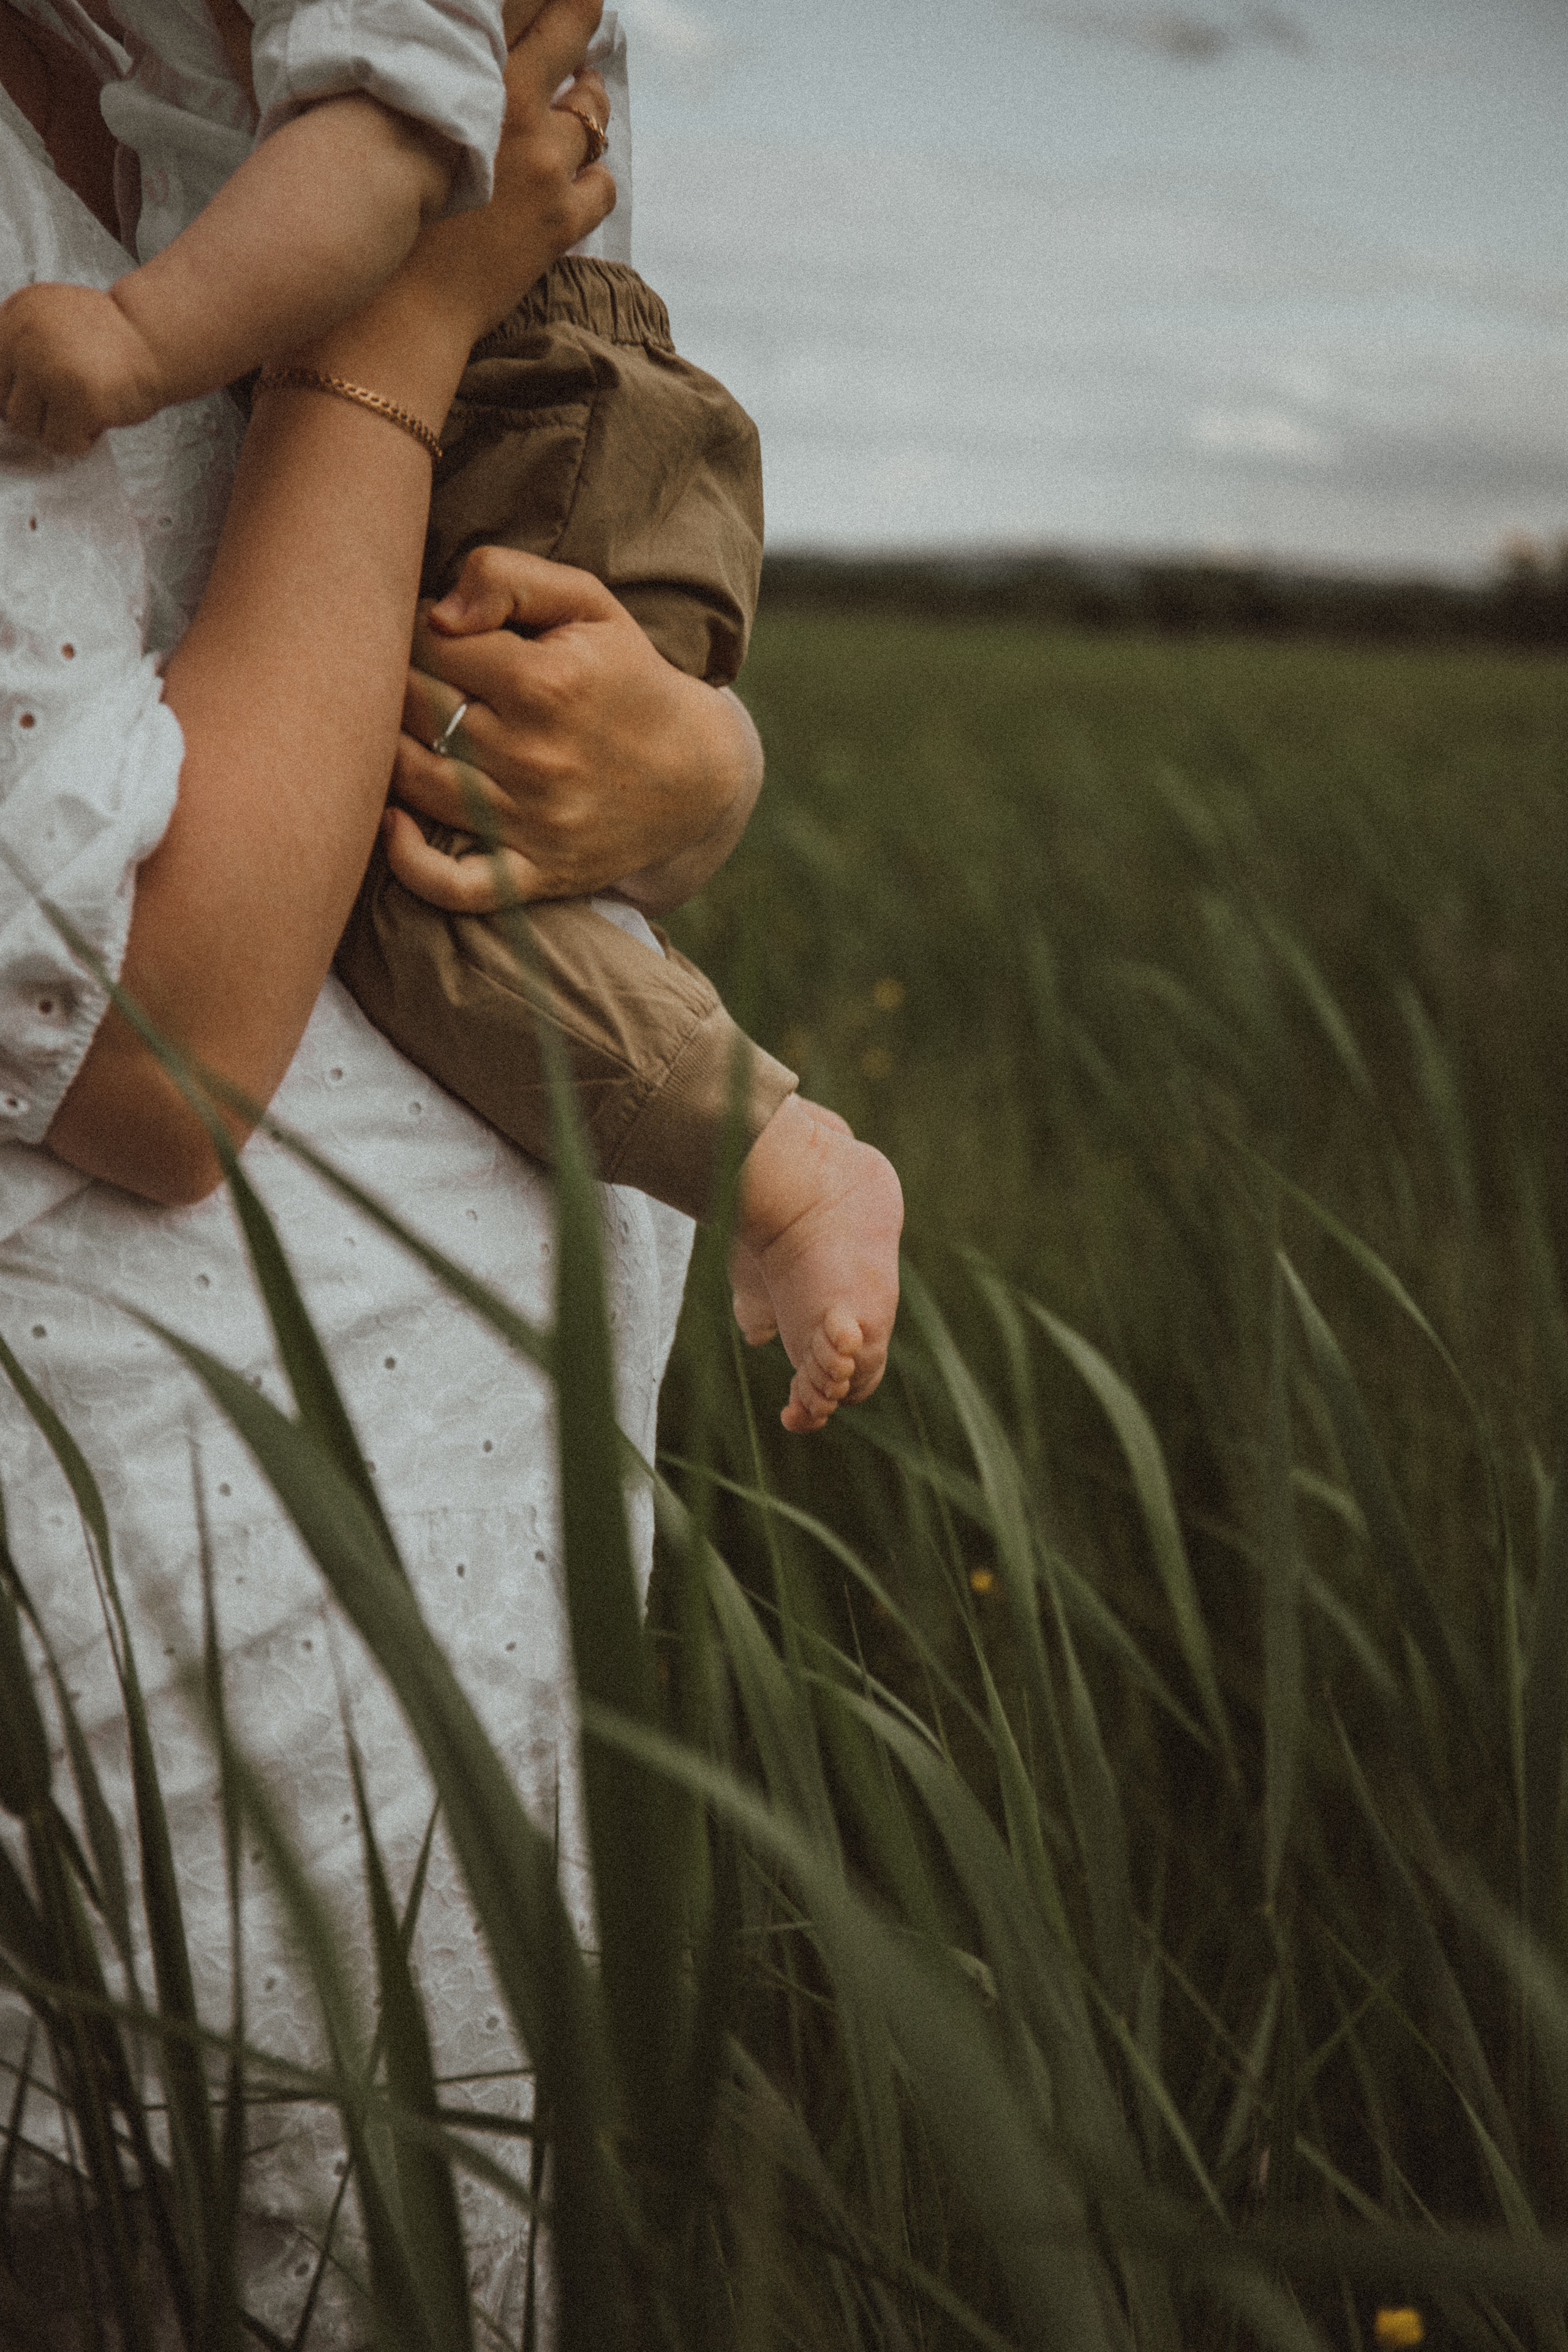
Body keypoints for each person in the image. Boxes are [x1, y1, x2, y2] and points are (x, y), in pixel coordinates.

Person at [0, 0, 755, 2332]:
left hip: (438, 1673)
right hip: (163, 1758)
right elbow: (157, 1036)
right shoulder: (318, 181)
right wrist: (391, 322)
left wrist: (692, 763)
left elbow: (468, 637)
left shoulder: (249, 82)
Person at [0, 0, 905, 1435]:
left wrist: (138, 335)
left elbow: (389, 154)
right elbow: (156, 1049)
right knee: (386, 837)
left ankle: (782, 1169)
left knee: (416, 870)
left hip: (515, 397)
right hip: (515, 391)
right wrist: (702, 776)